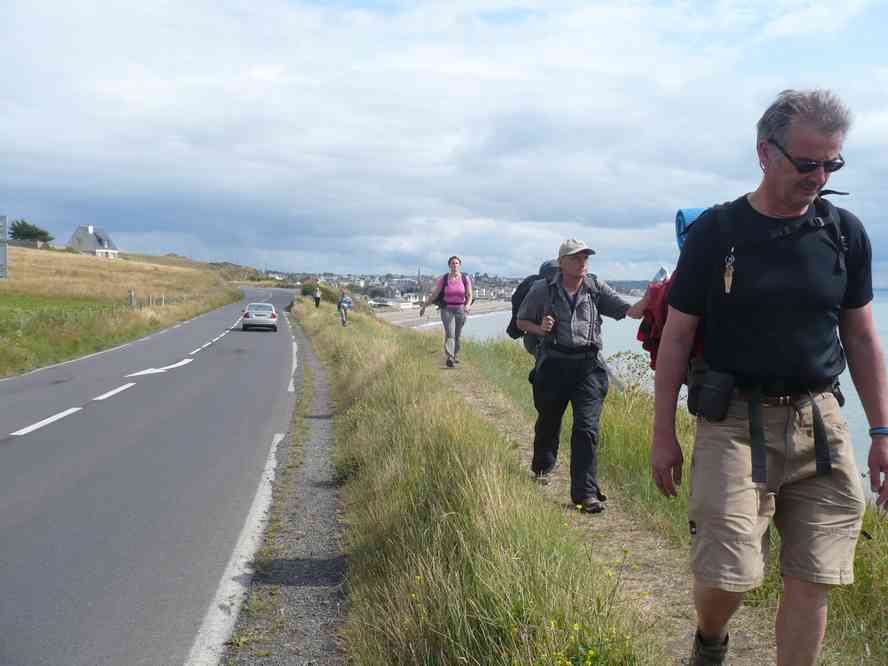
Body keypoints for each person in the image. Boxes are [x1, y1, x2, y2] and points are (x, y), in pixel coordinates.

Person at [650, 89, 888, 666]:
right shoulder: (717, 232)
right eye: (807, 162)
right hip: (732, 421)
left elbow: (859, 336)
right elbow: (677, 336)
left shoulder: (844, 233)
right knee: (729, 577)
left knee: (815, 577)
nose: (819, 175)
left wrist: (881, 434)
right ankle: (710, 639)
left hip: (821, 424)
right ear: (764, 151)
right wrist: (663, 434)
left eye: (832, 163)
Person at [516, 239, 647, 513]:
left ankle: (585, 494)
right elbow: (521, 322)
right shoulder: (542, 290)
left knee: (587, 430)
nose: (583, 262)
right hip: (553, 366)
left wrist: (657, 293)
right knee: (549, 421)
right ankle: (542, 466)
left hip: (588, 369)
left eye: (586, 257)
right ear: (562, 262)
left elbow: (630, 311)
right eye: (576, 258)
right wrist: (541, 329)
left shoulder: (595, 288)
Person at [419, 256, 473, 368]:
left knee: (457, 335)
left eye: (457, 263)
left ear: (460, 265)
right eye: (452, 263)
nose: (455, 265)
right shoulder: (444, 279)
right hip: (447, 309)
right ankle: (449, 357)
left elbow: (469, 294)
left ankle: (454, 355)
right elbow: (435, 294)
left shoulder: (465, 278)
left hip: (461, 309)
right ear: (449, 265)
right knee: (450, 334)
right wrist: (424, 305)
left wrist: (467, 305)